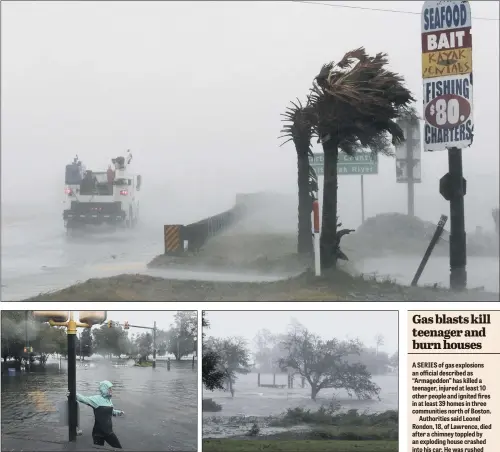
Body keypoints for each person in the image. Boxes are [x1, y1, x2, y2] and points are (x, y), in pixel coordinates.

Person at [76, 380, 125, 448]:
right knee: (98, 449)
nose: (111, 390)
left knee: (119, 448)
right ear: (104, 389)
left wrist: (118, 412)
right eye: (109, 389)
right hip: (98, 433)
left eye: (111, 389)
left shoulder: (109, 400)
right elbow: (83, 399)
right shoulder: (96, 399)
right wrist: (72, 392)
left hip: (108, 432)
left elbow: (110, 411)